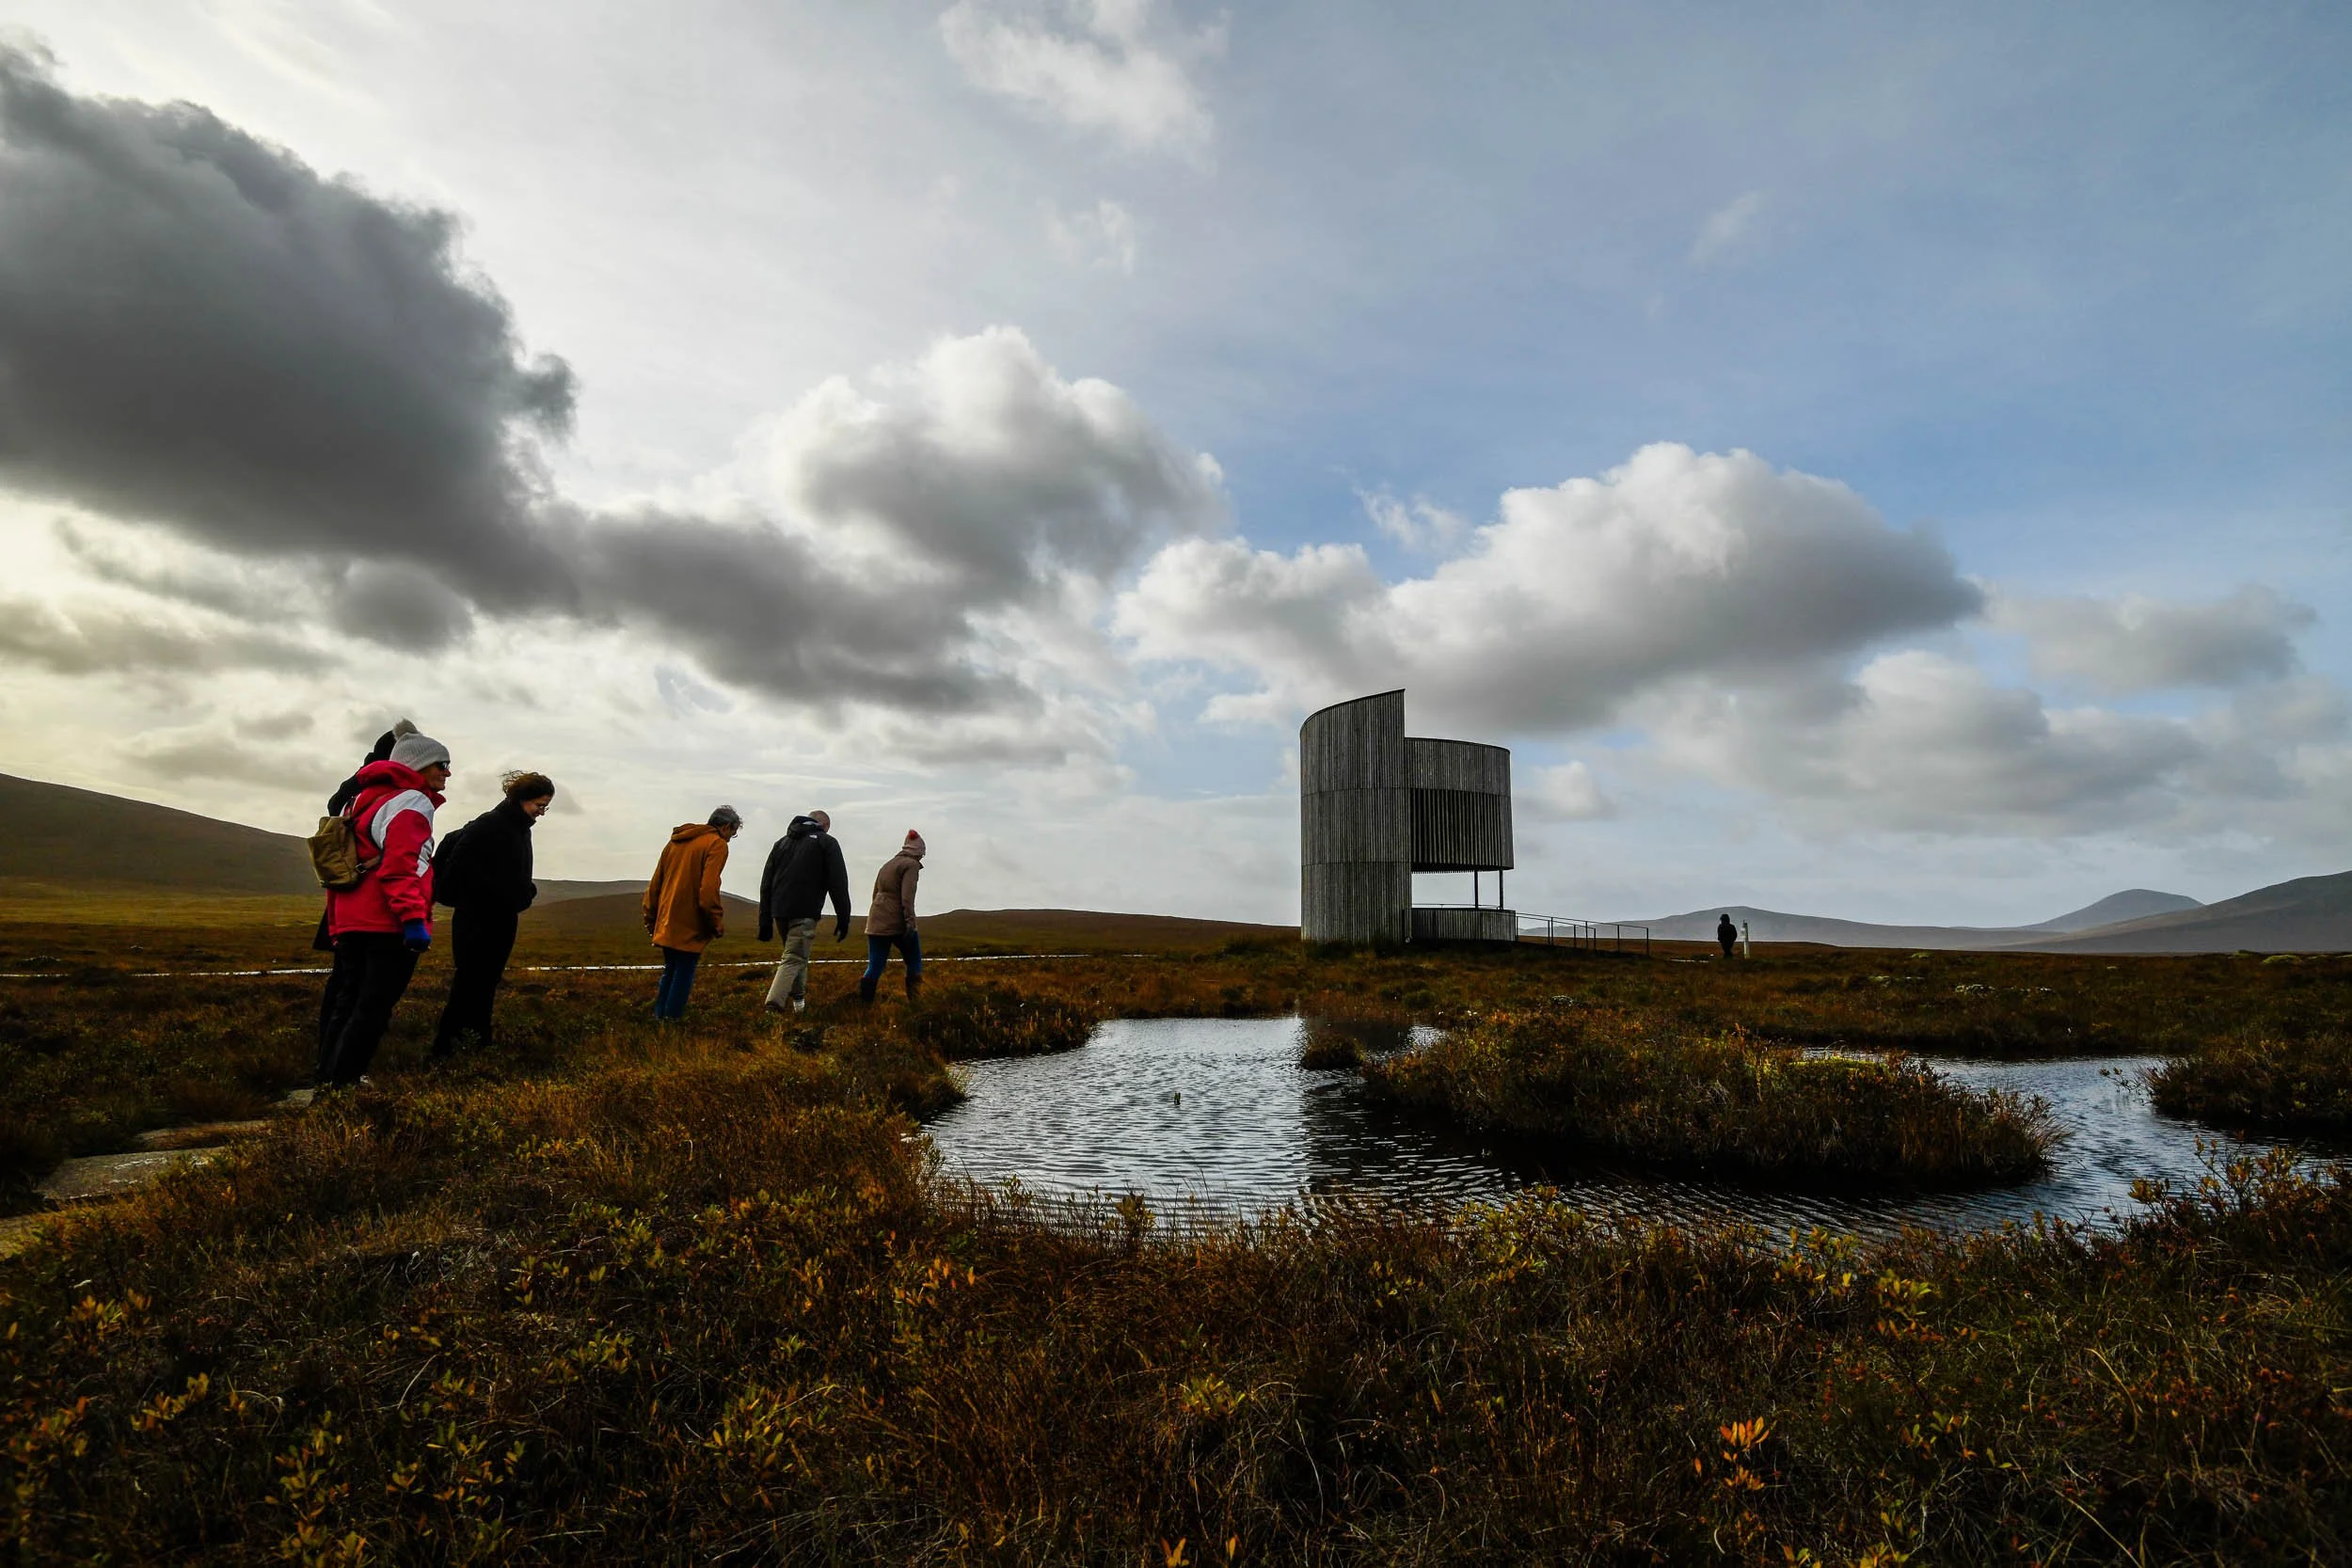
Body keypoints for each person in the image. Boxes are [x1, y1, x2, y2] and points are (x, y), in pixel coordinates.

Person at [317, 731, 452, 1087]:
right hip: (386, 923)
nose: (447, 774)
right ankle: (344, 1088)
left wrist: (335, 923)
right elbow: (400, 866)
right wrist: (412, 920)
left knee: (346, 1003)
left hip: (349, 919)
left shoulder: (358, 799)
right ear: (419, 765)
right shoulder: (411, 802)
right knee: (372, 1008)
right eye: (442, 765)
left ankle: (328, 1082)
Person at [314, 720, 416, 1079]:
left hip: (344, 895)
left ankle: (329, 1065)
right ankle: (340, 1073)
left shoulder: (355, 788)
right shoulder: (384, 791)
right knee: (359, 994)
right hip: (369, 899)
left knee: (345, 988)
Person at [429, 770, 553, 1057]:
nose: (542, 813)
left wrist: (522, 892)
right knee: (470, 984)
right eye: (539, 805)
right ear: (522, 799)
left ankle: (476, 1044)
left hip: (499, 918)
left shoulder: (518, 826)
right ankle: (443, 1050)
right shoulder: (491, 825)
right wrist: (510, 893)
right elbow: (460, 870)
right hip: (478, 920)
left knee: (484, 984)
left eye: (545, 807)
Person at [644, 805, 739, 1021]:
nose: (730, 840)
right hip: (691, 921)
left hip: (666, 918)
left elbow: (656, 882)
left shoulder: (675, 842)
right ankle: (672, 1022)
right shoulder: (717, 844)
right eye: (732, 834)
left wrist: (650, 916)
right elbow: (708, 890)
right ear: (725, 827)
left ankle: (660, 1018)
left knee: (671, 969)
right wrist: (716, 921)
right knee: (684, 971)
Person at [757, 810, 850, 1015]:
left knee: (798, 956)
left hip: (779, 911)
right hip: (805, 911)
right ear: (824, 826)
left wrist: (764, 920)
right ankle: (773, 1006)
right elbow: (838, 883)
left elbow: (766, 883)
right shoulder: (827, 842)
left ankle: (799, 1005)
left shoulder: (781, 843)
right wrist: (844, 919)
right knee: (793, 957)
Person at [860, 829, 926, 1003]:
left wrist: (878, 916)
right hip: (897, 922)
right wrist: (910, 923)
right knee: (914, 961)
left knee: (875, 965)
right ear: (919, 852)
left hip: (876, 921)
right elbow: (907, 898)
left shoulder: (888, 864)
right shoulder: (911, 865)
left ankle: (864, 1006)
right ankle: (916, 1003)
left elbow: (875, 894)